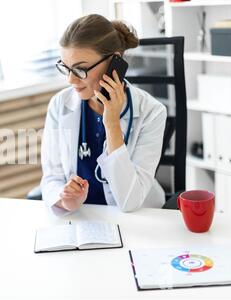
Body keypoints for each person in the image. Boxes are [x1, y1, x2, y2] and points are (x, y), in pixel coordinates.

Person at [41, 14, 167, 215]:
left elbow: (130, 202)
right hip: (82, 216)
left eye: (80, 69)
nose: (71, 81)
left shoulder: (152, 112)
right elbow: (51, 178)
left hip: (136, 220)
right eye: (66, 68)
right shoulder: (60, 105)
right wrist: (65, 200)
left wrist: (112, 123)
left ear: (114, 62)